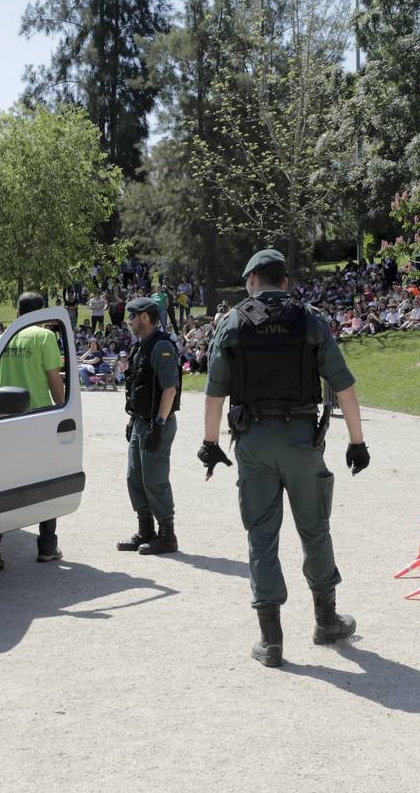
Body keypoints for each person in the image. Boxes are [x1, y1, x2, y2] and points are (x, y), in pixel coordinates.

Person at [200, 249, 370, 669]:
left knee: (261, 536)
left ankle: (271, 640)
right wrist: (357, 441)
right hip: (300, 438)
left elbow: (214, 392)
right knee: (315, 528)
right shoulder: (311, 320)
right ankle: (326, 621)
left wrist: (209, 442)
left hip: (253, 441)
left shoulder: (233, 323)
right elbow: (343, 385)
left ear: (253, 279)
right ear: (286, 282)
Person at [0, 291, 66, 568]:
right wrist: (63, 407)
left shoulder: (3, 337)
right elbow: (53, 379)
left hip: (3, 419)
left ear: (18, 311)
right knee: (46, 482)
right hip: (37, 418)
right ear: (40, 312)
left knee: (3, 482)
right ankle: (47, 546)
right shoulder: (44, 337)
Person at [117, 297, 183, 555]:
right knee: (134, 477)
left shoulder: (161, 346)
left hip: (157, 423)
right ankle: (146, 531)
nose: (129, 321)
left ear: (144, 317)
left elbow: (170, 388)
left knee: (155, 480)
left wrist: (158, 425)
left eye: (131, 316)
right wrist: (134, 419)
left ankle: (168, 536)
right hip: (140, 422)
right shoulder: (140, 347)